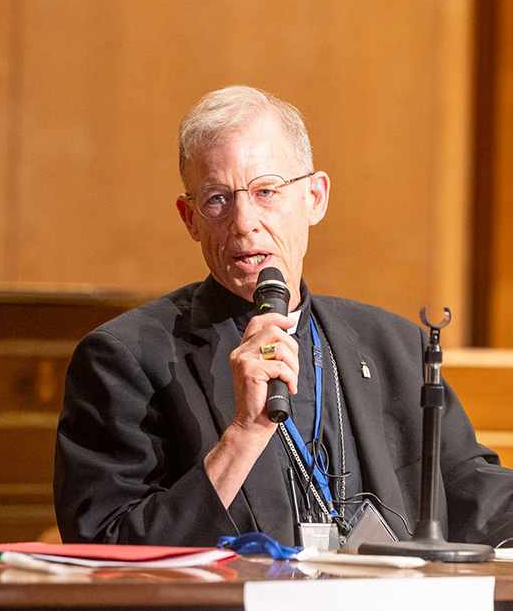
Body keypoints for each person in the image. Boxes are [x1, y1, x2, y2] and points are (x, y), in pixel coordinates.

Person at [54, 85, 513, 548]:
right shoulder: (125, 359)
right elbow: (107, 548)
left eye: (266, 191)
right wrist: (242, 436)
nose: (243, 221)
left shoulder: (392, 345)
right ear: (189, 217)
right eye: (217, 199)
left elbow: (476, 496)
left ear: (315, 197)